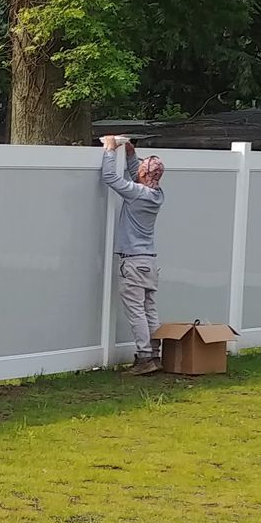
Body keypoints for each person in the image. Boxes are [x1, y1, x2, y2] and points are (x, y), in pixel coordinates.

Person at [100, 135, 166, 374]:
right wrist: (129, 152)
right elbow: (135, 173)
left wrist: (109, 149)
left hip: (133, 262)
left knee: (136, 309)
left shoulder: (137, 193)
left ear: (144, 174)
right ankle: (155, 356)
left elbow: (110, 177)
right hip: (149, 260)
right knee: (149, 309)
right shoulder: (156, 194)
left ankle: (144, 358)